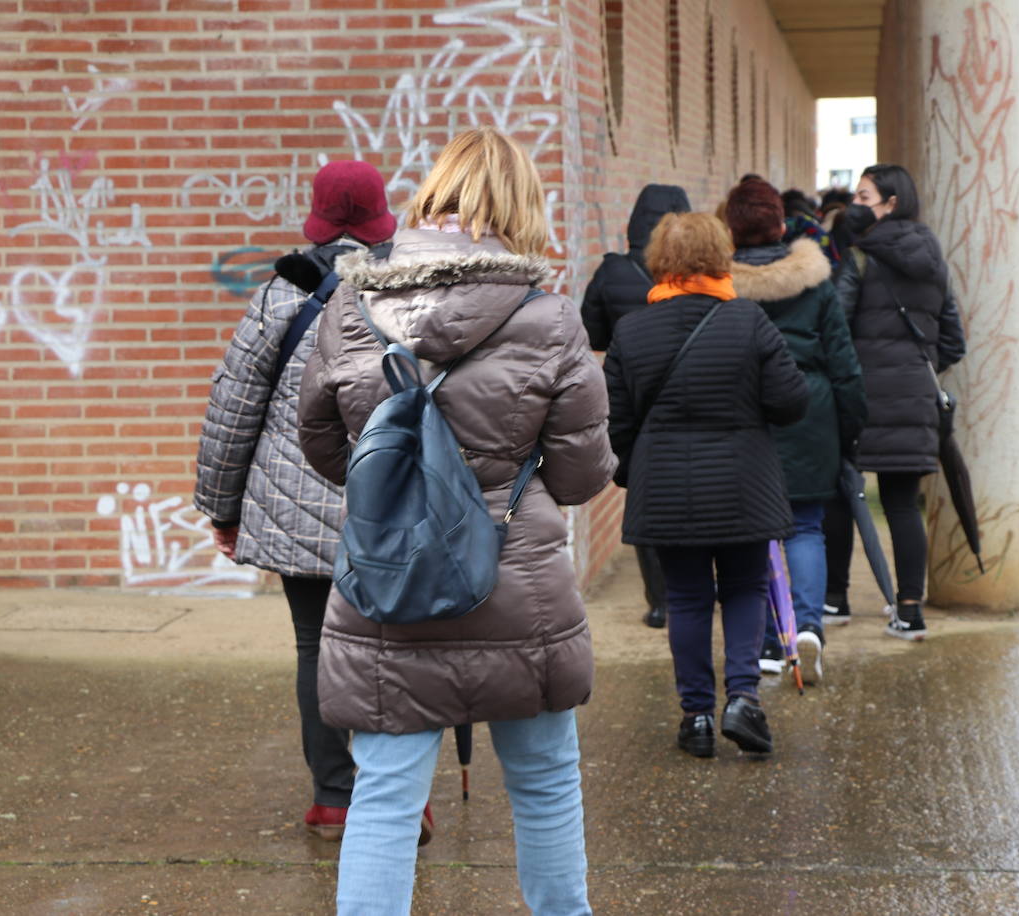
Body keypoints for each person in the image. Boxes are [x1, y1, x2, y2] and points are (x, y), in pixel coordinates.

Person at [297, 128, 616, 916]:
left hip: (387, 584)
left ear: (432, 196)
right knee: (544, 785)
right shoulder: (549, 318)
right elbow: (580, 476)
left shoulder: (350, 302)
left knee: (383, 801)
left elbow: (324, 446)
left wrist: (403, 488)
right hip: (519, 586)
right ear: (522, 210)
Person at [193, 159, 403, 844]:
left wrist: (222, 510)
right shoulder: (411, 293)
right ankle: (399, 793)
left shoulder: (279, 297)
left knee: (316, 646)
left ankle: (334, 797)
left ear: (315, 216)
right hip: (392, 505)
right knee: (393, 646)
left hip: (294, 508)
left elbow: (233, 407)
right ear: (379, 217)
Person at [603, 211, 808, 757]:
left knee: (687, 599)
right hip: (744, 482)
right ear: (722, 257)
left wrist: (636, 474)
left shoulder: (631, 329)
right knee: (745, 588)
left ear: (659, 262)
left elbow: (615, 424)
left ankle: (694, 717)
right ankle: (742, 699)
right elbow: (791, 402)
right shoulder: (749, 321)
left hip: (668, 486)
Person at [724, 178, 867, 684]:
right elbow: (845, 365)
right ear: (782, 225)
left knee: (754, 534)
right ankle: (808, 627)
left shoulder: (720, 286)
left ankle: (766, 642)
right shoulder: (817, 280)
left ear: (730, 228)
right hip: (812, 413)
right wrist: (849, 430)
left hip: (746, 417)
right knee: (806, 526)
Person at [832, 164, 966, 641]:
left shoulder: (861, 258)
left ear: (890, 203)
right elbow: (953, 340)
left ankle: (836, 598)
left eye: (864, 196)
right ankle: (910, 611)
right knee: (903, 504)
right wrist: (914, 369)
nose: (855, 204)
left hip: (860, 397)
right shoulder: (933, 259)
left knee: (841, 496)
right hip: (914, 398)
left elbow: (836, 331)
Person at [579, 183, 691, 629]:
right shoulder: (692, 271)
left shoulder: (612, 272)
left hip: (635, 394)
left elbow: (592, 334)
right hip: (690, 390)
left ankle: (660, 601)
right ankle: (697, 584)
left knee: (646, 496)